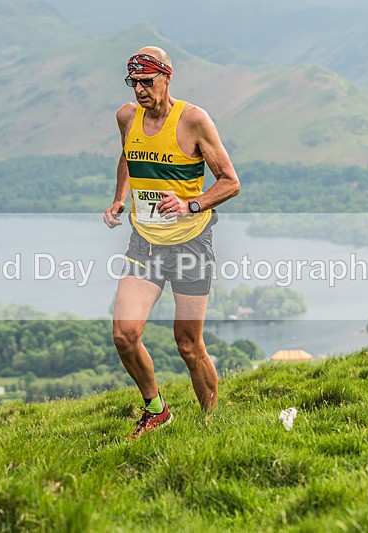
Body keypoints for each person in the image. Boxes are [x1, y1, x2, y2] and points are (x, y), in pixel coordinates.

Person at [103, 46, 240, 440]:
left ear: (167, 77)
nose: (140, 90)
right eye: (134, 83)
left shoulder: (193, 120)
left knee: (188, 344)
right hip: (144, 244)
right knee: (124, 335)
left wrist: (190, 204)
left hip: (190, 246)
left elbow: (230, 182)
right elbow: (128, 156)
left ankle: (211, 424)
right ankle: (156, 410)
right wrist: (119, 198)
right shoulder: (126, 117)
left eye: (148, 81)